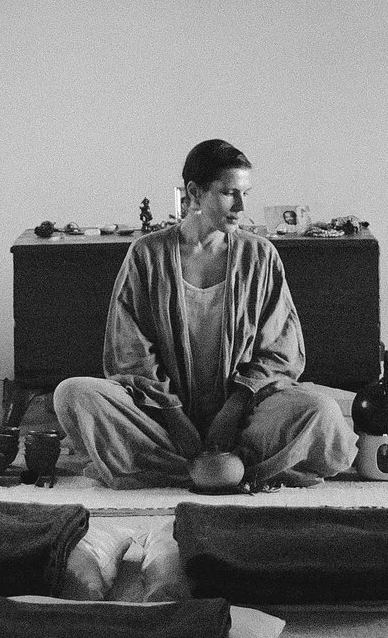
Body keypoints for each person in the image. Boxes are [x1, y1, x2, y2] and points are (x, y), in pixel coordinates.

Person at [53, 140, 358, 489]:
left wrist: (235, 407)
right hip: (159, 415)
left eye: (245, 194)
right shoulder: (146, 254)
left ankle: (182, 466)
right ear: (195, 193)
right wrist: (173, 414)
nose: (241, 206)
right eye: (229, 193)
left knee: (321, 410)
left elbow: (280, 351)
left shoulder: (261, 255)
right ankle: (228, 468)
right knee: (73, 394)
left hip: (246, 416)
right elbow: (130, 353)